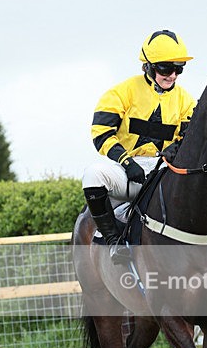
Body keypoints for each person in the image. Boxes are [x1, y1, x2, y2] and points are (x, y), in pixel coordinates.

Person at [82, 29, 196, 260]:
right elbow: (101, 134)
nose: (172, 75)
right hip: (127, 172)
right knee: (92, 175)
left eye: (178, 69)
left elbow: (189, 140)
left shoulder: (187, 101)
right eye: (165, 68)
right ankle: (114, 242)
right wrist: (127, 162)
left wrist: (177, 149)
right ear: (148, 66)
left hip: (163, 173)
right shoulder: (120, 92)